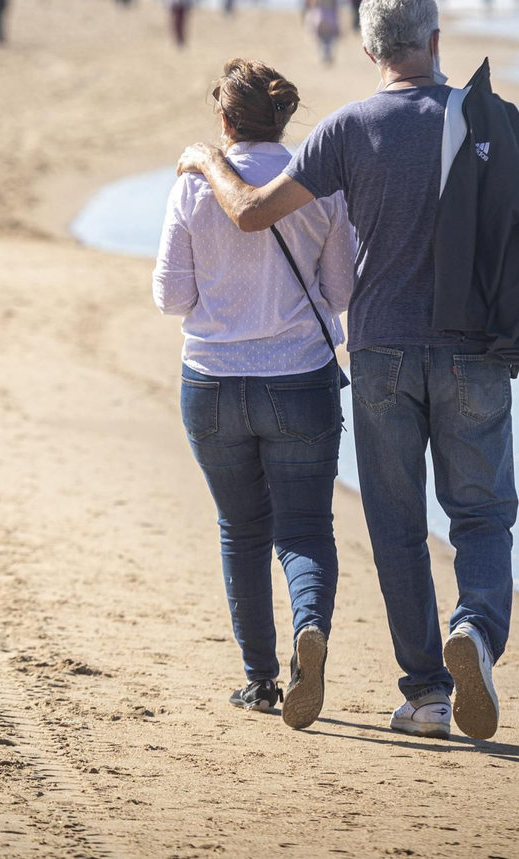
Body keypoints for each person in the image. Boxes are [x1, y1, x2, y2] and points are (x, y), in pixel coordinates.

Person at [175, 0, 513, 742]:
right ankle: (478, 633)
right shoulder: (494, 122)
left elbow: (253, 212)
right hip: (477, 354)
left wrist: (204, 159)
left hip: (383, 350)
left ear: (366, 51)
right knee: (484, 516)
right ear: (435, 40)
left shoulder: (347, 130)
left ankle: (427, 693)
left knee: (396, 523)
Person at [154, 58, 355, 730]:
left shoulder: (192, 186)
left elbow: (170, 296)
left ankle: (260, 679)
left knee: (242, 530)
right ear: (282, 115)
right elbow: (342, 293)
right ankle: (309, 630)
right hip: (299, 378)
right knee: (304, 527)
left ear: (224, 119)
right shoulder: (318, 182)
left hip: (210, 381)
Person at [306, 0, 341, 65]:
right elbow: (335, 9)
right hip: (330, 18)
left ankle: (323, 56)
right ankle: (328, 55)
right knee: (329, 40)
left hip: (319, 18)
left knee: (321, 40)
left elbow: (312, 8)